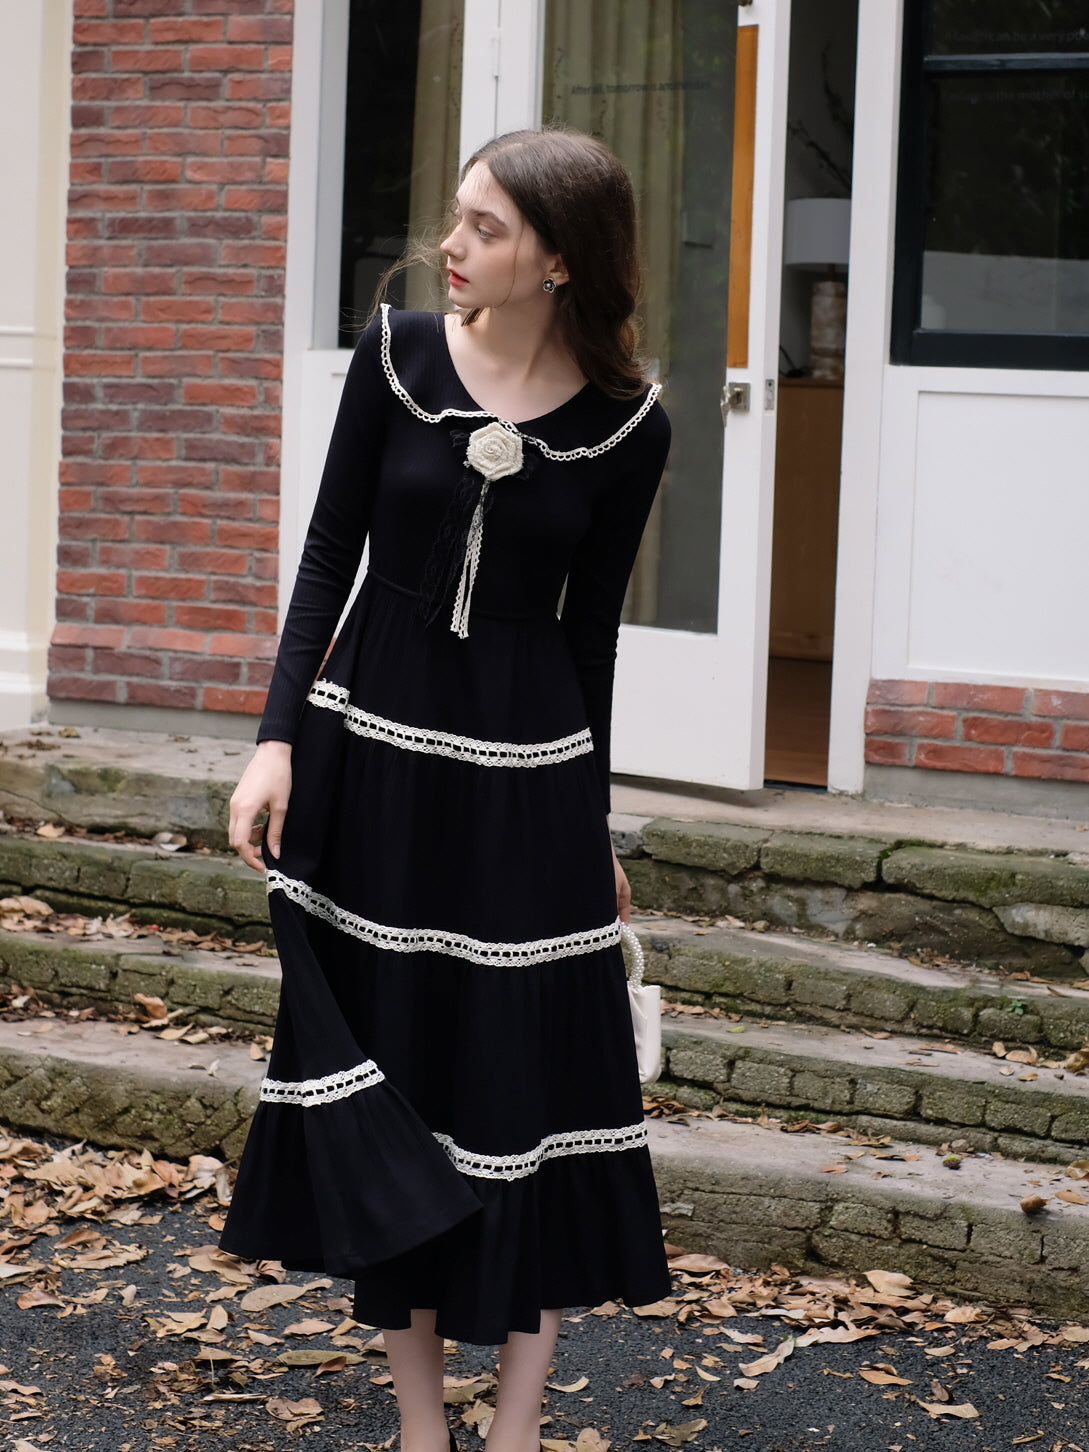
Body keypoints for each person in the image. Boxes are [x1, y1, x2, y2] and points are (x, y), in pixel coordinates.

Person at [219, 128, 672, 1452]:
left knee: (525, 1089)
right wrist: (276, 739)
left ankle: (517, 1420)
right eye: (454, 219)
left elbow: (588, 642)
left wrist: (587, 827)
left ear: (555, 259)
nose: (449, 244)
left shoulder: (626, 427)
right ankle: (422, 1423)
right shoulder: (400, 358)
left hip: (522, 789)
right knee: (397, 1078)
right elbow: (325, 559)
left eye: (480, 226)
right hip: (374, 764)